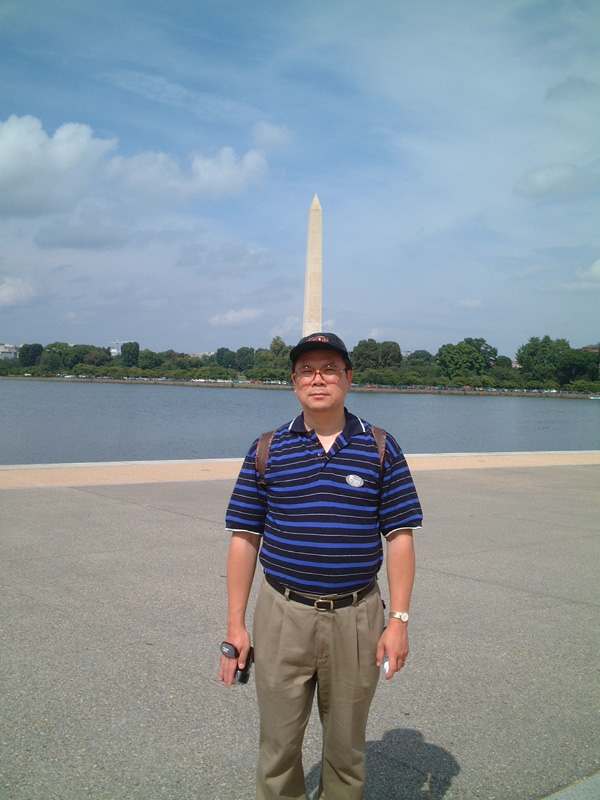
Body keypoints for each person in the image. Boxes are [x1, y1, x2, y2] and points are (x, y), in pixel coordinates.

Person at [219, 332, 423, 800]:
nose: (318, 379)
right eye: (307, 370)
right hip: (281, 614)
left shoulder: (381, 447)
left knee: (347, 749)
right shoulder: (267, 448)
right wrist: (235, 626)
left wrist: (398, 621)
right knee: (277, 746)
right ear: (294, 382)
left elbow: (400, 537)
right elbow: (244, 539)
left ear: (349, 379)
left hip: (356, 616)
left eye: (330, 369)